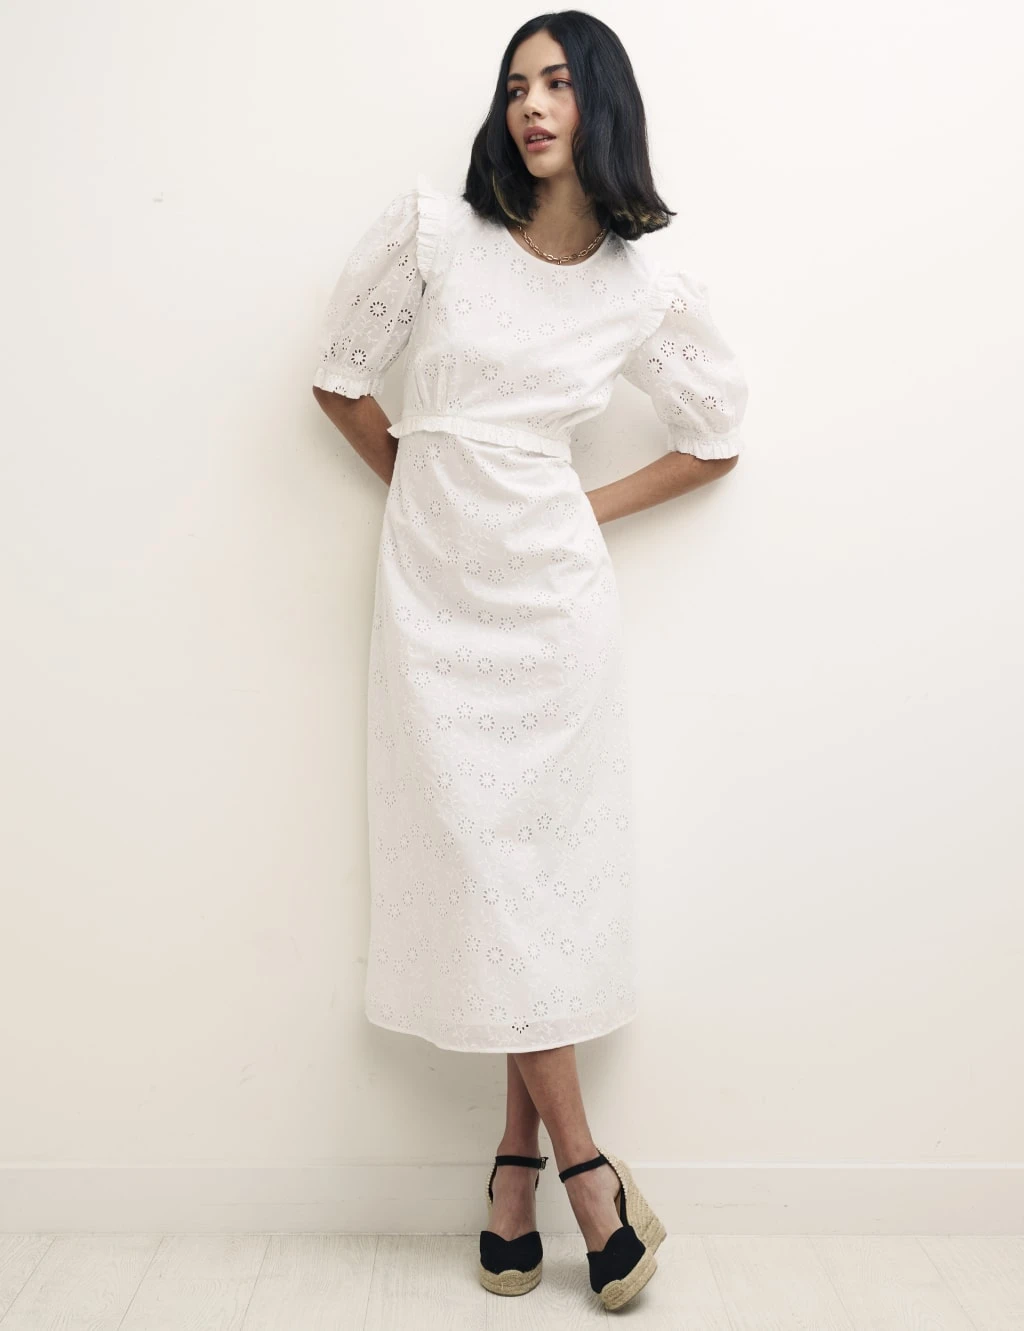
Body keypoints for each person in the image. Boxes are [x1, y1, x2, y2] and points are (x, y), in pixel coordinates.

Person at [311, 11, 748, 1312]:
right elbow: (340, 378)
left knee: (532, 886)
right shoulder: (435, 233)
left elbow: (718, 433)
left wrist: (577, 512)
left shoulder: (642, 286)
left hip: (554, 612)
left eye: (557, 82)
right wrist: (427, 498)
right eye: (515, 85)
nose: (532, 105)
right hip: (435, 600)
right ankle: (584, 1172)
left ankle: (517, 1175)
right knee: (481, 869)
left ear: (603, 103)